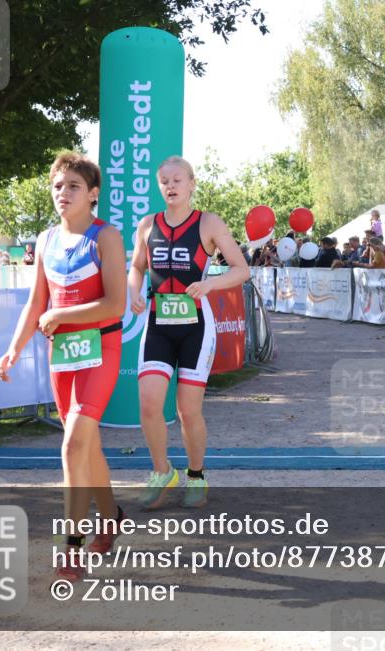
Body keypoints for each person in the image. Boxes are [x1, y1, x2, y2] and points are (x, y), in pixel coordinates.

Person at [0, 151, 126, 580]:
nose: (63, 193)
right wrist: (14, 348)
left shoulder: (106, 236)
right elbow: (36, 302)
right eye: (57, 186)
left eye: (73, 186)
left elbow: (115, 304)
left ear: (92, 194)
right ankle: (111, 516)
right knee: (87, 445)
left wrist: (61, 315)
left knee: (72, 445)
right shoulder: (46, 239)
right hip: (63, 355)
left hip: (101, 350)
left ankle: (72, 547)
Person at [127, 156, 249, 512]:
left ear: (192, 184)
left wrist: (209, 284)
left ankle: (196, 475)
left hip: (196, 326)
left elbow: (241, 270)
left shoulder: (208, 223)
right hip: (157, 325)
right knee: (149, 404)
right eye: (164, 181)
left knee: (187, 410)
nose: (170, 186)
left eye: (177, 180)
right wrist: (133, 292)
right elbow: (136, 267)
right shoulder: (147, 225)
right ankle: (162, 471)